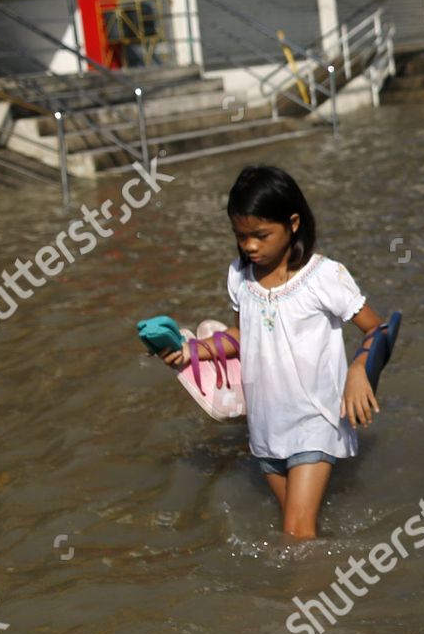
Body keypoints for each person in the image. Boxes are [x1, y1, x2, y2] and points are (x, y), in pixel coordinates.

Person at [160, 165, 385, 539]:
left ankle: (300, 596)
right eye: (241, 236)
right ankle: (324, 580)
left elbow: (378, 328)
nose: (249, 245)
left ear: (293, 223)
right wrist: (193, 352)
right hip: (265, 425)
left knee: (295, 533)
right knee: (300, 534)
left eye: (260, 235)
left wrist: (359, 369)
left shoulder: (323, 277)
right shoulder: (240, 276)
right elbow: (241, 335)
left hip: (316, 417)